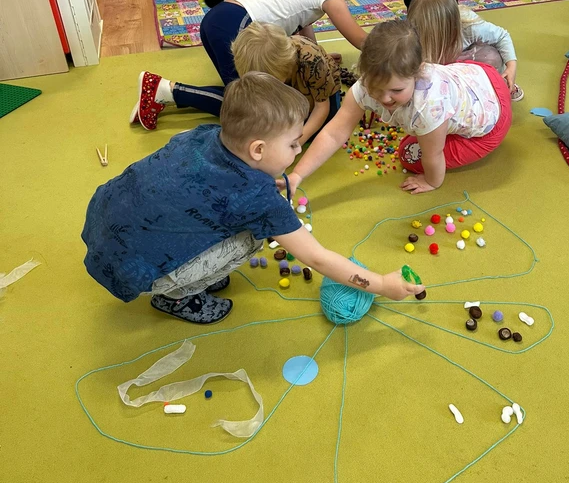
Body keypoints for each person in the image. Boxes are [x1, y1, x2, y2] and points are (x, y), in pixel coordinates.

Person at [83, 74, 423, 324]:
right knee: (251, 239)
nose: (298, 150)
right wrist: (381, 284)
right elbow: (316, 257)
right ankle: (175, 297)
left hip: (103, 223)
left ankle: (186, 273)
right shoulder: (257, 199)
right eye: (293, 143)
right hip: (132, 270)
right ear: (257, 150)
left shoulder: (204, 134)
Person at [131, 0, 368, 131]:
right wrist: (390, 54)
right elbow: (360, 40)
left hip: (220, 19)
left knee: (243, 93)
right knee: (251, 107)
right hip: (238, 28)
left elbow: (303, 26)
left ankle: (167, 91)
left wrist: (317, 60)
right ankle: (166, 91)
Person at [285, 21, 512, 197]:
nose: (384, 98)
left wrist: (431, 181)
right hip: (477, 74)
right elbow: (334, 133)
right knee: (420, 137)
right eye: (376, 88)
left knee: (408, 155)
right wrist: (297, 175)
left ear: (418, 72)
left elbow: (433, 154)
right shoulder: (365, 86)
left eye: (396, 90)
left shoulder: (428, 107)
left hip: (493, 118)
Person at [407, 0, 524, 101]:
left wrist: (511, 68)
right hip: (440, 70)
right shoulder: (412, 35)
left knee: (491, 57)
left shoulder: (469, 26)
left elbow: (502, 36)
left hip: (466, 64)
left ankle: (498, 84)